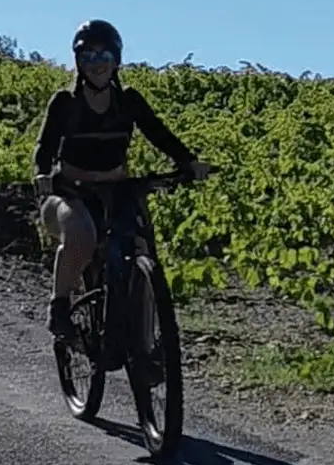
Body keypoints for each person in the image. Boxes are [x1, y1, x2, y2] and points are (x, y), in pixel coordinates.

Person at [33, 20, 208, 338]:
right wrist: (43, 175)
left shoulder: (128, 101)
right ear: (78, 62)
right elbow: (44, 147)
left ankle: (145, 343)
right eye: (88, 56)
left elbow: (158, 133)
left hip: (117, 188)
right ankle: (58, 308)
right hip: (69, 191)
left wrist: (188, 162)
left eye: (103, 56)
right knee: (80, 235)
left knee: (140, 249)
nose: (96, 64)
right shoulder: (65, 102)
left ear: (116, 60)